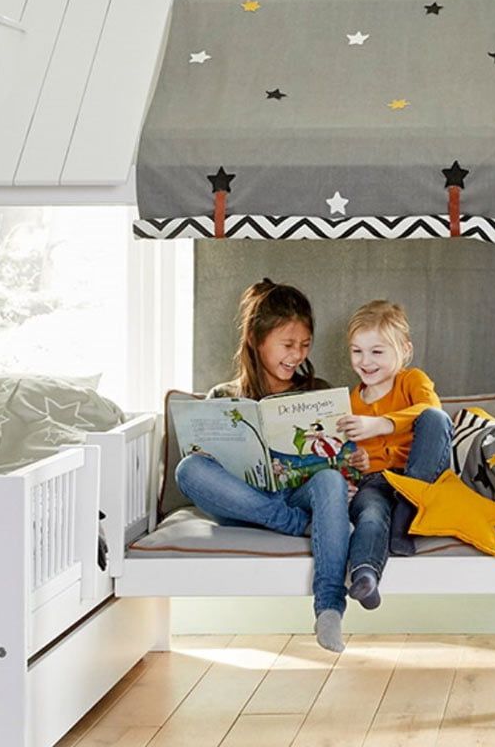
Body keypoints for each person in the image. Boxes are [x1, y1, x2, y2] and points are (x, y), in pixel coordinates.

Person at [175, 279, 351, 653]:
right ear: (256, 340)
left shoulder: (317, 390)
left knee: (332, 483)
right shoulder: (223, 396)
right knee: (188, 469)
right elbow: (205, 466)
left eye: (304, 345)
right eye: (287, 345)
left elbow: (338, 454)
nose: (297, 355)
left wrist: (348, 466)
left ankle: (329, 607)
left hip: (298, 494)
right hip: (245, 504)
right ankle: (293, 524)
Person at [336, 300, 453, 612]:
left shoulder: (412, 380)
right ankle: (365, 576)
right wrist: (353, 467)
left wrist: (380, 424)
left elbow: (431, 412)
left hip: (420, 475)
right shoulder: (349, 401)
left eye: (377, 351)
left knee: (435, 419)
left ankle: (408, 506)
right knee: (371, 514)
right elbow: (347, 454)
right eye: (357, 351)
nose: (365, 361)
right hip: (374, 484)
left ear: (404, 349)